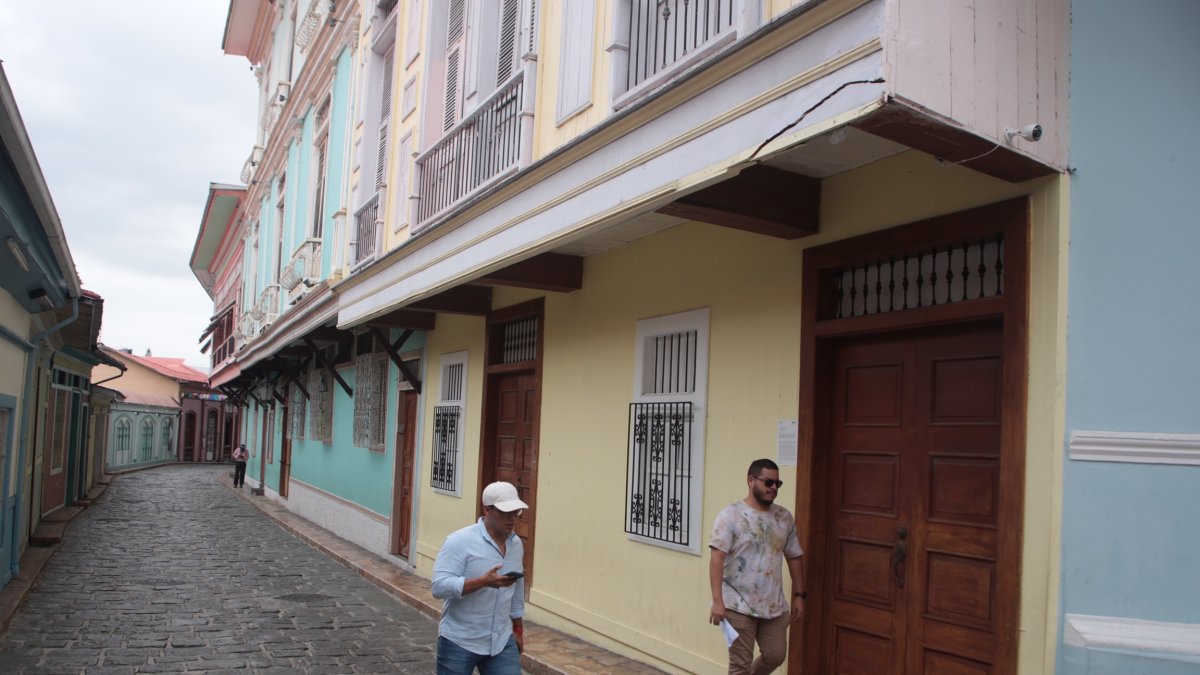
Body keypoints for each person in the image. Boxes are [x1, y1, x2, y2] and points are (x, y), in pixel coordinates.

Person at [709, 459, 805, 674]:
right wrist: (717, 601)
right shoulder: (730, 515)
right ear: (751, 481)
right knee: (740, 665)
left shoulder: (783, 517)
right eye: (768, 482)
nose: (773, 488)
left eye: (777, 484)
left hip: (773, 605)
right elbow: (716, 559)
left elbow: (795, 556)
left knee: (775, 655)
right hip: (737, 604)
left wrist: (800, 594)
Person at [431, 481, 528, 674]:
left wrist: (518, 630)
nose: (511, 519)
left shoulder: (516, 544)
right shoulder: (460, 541)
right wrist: (483, 582)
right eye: (505, 513)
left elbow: (517, 588)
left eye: (515, 512)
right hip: (460, 640)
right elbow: (439, 587)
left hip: (500, 641)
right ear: (487, 509)